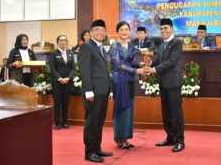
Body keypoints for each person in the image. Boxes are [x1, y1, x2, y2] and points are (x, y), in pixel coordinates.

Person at [145, 18, 185, 152]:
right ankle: (170, 137)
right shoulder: (161, 45)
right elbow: (158, 61)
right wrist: (149, 64)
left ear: (172, 28)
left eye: (166, 28)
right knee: (166, 112)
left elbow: (172, 61)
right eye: (161, 29)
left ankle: (180, 141)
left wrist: (154, 70)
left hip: (173, 83)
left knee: (176, 112)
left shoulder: (177, 43)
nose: (163, 31)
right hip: (163, 83)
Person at [78, 19, 113, 163]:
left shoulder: (101, 47)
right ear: (91, 32)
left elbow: (106, 71)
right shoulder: (87, 46)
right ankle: (89, 152)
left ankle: (97, 148)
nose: (100, 32)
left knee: (99, 122)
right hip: (93, 92)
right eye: (97, 29)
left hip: (103, 92)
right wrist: (89, 91)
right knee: (91, 122)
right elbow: (85, 71)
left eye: (103, 30)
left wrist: (110, 90)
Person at [109, 21, 146, 149]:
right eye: (122, 29)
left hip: (129, 80)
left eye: (126, 29)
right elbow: (118, 65)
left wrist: (140, 65)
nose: (124, 32)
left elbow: (132, 61)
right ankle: (119, 138)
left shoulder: (131, 46)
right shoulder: (114, 46)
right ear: (117, 31)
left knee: (129, 109)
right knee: (121, 108)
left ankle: (126, 138)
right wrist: (136, 70)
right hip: (119, 80)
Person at [49, 35, 76, 130]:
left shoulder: (70, 53)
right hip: (57, 82)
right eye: (61, 40)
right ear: (57, 42)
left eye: (65, 40)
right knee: (57, 102)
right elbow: (52, 69)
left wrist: (68, 78)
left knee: (65, 102)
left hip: (68, 82)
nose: (63, 42)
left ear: (67, 42)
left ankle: (65, 122)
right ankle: (57, 122)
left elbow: (73, 68)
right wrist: (60, 78)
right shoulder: (53, 53)